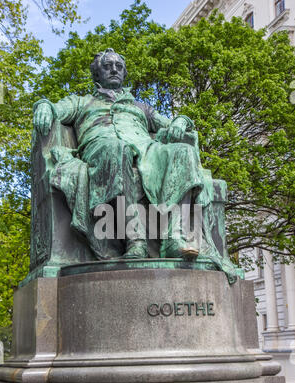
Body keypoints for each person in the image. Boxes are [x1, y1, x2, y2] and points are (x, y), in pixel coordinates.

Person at [33, 48, 205, 260]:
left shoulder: (142, 108)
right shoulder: (80, 102)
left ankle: (173, 238)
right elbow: (55, 108)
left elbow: (170, 124)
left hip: (146, 150)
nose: (114, 69)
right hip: (101, 148)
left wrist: (182, 120)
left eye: (119, 66)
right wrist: (43, 106)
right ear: (97, 74)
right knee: (117, 149)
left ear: (124, 74)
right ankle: (136, 241)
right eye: (107, 66)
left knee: (183, 151)